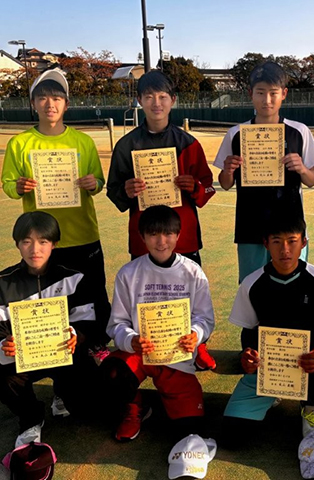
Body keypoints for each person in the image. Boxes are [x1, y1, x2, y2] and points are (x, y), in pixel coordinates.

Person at [107, 70, 216, 370]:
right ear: (139, 100)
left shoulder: (188, 143)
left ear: (173, 100)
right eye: (149, 97)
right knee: (146, 296)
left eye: (163, 97)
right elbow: (113, 191)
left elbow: (208, 188)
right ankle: (145, 347)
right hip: (144, 237)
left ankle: (198, 345)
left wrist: (194, 186)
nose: (156, 103)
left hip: (184, 237)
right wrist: (127, 190)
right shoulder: (126, 145)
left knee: (189, 297)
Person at [222, 211, 314, 451]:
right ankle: (273, 393)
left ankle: (311, 406)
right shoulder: (252, 283)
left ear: (303, 242)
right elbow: (248, 331)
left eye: (292, 241)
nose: (285, 250)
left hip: (308, 368)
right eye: (276, 241)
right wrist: (247, 354)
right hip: (267, 371)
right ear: (266, 244)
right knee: (232, 436)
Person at [0, 212, 108, 448]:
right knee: (2, 376)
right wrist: (2, 346)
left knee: (89, 407)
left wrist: (76, 336)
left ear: (54, 244)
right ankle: (31, 419)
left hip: (64, 356)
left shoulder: (74, 278)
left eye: (43, 241)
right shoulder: (0, 283)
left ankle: (62, 392)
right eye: (27, 241)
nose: (35, 249)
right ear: (17, 244)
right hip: (23, 360)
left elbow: (90, 323)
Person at [101, 206, 216, 470]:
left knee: (190, 431)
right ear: (142, 237)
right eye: (153, 234)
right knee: (111, 376)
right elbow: (116, 324)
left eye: (168, 234)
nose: (161, 241)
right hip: (139, 353)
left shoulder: (193, 272)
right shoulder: (128, 273)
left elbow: (205, 319)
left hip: (177, 357)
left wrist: (196, 335)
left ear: (178, 235)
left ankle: (176, 389)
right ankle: (136, 405)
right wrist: (130, 340)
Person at [0, 68, 111, 338]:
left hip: (83, 234)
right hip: (42, 240)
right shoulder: (19, 144)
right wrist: (18, 187)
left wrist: (93, 184)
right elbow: (8, 184)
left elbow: (98, 181)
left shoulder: (83, 142)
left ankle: (96, 346)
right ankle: (52, 348)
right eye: (43, 98)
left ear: (66, 104)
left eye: (57, 99)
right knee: (49, 298)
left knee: (93, 294)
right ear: (33, 103)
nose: (50, 104)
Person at [213, 61, 314, 284]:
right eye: (260, 93)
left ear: (284, 94)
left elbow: (312, 180)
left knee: (293, 288)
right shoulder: (236, 134)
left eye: (273, 93)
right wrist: (228, 170)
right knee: (252, 288)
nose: (267, 100)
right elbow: (225, 183)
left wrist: (302, 168)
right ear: (250, 94)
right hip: (250, 228)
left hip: (290, 229)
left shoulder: (299, 131)